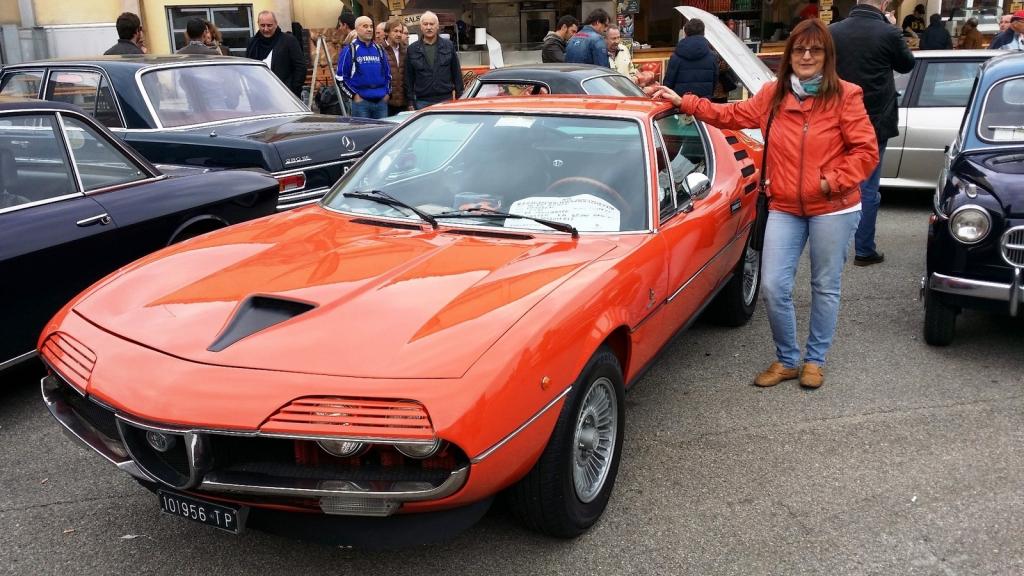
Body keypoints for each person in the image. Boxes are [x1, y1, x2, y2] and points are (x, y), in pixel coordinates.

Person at [654, 18, 879, 389]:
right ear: (789, 55)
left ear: (827, 56)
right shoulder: (772, 95)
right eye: (800, 49)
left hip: (833, 207)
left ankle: (815, 360)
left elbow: (865, 152)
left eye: (815, 50)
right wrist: (686, 102)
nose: (806, 56)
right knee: (773, 285)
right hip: (785, 206)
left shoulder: (845, 95)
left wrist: (829, 182)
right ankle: (788, 359)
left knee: (825, 286)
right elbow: (730, 115)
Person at [830, 0, 914, 266]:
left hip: (837, 118)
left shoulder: (833, 31)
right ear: (884, 3)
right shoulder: (888, 32)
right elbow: (907, 64)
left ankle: (830, 245)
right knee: (867, 185)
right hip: (876, 120)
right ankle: (864, 249)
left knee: (834, 179)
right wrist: (892, 27)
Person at [405, 11, 463, 110]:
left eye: (431, 24)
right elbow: (409, 78)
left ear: (437, 26)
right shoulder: (412, 49)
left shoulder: (448, 46)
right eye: (425, 24)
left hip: (445, 99)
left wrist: (460, 96)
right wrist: (410, 102)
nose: (429, 27)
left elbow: (456, 73)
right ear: (421, 27)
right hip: (422, 101)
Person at [337, 16, 391, 119]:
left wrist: (387, 94)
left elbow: (388, 75)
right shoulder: (349, 50)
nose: (369, 29)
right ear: (356, 29)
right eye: (365, 26)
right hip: (361, 104)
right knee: (364, 130)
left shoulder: (379, 49)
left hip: (381, 102)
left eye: (371, 26)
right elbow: (340, 78)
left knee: (383, 130)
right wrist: (354, 96)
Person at [246, 11, 306, 96]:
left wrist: (292, 90)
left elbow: (300, 67)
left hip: (285, 94)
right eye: (262, 25)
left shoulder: (288, 41)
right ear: (258, 24)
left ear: (276, 24)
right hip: (258, 95)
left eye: (269, 25)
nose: (266, 29)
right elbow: (248, 68)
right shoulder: (252, 43)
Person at [663, 18, 719, 99]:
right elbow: (715, 80)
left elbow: (668, 83)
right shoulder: (712, 56)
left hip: (680, 102)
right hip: (703, 102)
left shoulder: (676, 57)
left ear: (685, 33)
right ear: (703, 33)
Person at [382, 20, 407, 116]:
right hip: (386, 102)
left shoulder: (405, 50)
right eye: (395, 31)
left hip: (403, 102)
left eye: (400, 31)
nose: (399, 34)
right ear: (387, 32)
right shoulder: (379, 50)